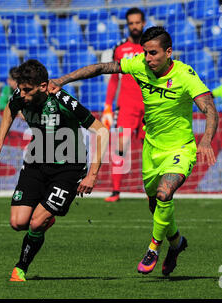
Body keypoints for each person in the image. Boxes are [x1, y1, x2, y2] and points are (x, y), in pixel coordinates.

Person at [48, 27, 219, 276]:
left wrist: (205, 140)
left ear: (168, 52)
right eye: (145, 53)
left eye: (153, 53)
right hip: (152, 148)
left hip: (180, 148)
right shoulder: (138, 64)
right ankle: (177, 243)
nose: (148, 58)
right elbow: (101, 68)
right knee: (156, 204)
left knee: (164, 193)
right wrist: (61, 81)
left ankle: (153, 247)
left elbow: (209, 108)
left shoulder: (185, 75)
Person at [0, 60, 109, 281]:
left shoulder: (63, 100)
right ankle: (47, 215)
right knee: (17, 223)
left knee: (36, 223)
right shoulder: (21, 96)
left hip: (69, 168)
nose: (22, 95)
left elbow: (102, 131)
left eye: (27, 90)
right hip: (36, 164)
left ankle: (20, 267)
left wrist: (92, 175)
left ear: (42, 86)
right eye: (20, 89)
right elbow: (9, 110)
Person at [102, 7, 146, 202]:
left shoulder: (151, 47)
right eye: (131, 23)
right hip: (126, 107)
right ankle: (116, 191)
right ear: (127, 25)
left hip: (148, 107)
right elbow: (113, 79)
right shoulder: (120, 49)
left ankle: (151, 191)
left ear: (143, 23)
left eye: (137, 22)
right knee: (120, 147)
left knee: (150, 149)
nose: (134, 26)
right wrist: (107, 105)